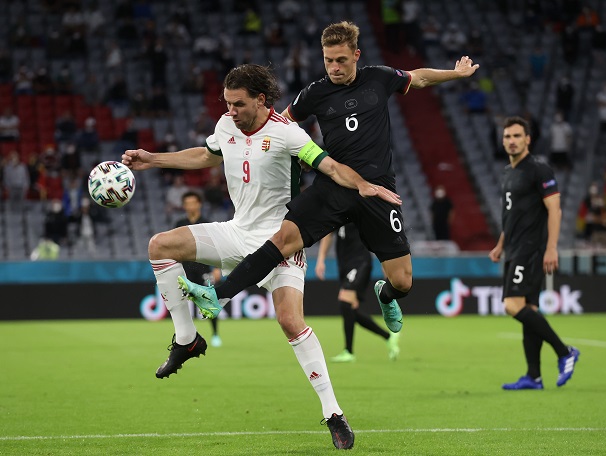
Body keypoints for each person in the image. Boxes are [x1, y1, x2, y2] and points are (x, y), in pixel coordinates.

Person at [121, 64, 400, 450]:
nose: (231, 111)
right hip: (236, 233)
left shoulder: (287, 132)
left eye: (238, 104)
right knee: (159, 245)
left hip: (280, 242)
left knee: (290, 321)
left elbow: (330, 166)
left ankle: (333, 412)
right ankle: (186, 339)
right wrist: (151, 159)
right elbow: (206, 155)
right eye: (227, 103)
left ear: (261, 100)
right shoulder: (226, 125)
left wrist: (363, 185)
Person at [181, 21, 479, 337]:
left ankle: (385, 295)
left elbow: (418, 78)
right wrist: (290, 152)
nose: (334, 67)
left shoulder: (379, 78)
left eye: (341, 60)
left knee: (403, 281)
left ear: (356, 55)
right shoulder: (315, 93)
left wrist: (455, 74)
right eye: (328, 60)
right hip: (333, 184)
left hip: (377, 190)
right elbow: (281, 123)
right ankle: (218, 296)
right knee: (282, 241)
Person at [488, 116, 580, 391]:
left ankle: (565, 352)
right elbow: (511, 215)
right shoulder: (508, 172)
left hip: (531, 249)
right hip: (514, 248)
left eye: (517, 136)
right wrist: (501, 243)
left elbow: (554, 209)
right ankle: (534, 376)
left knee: (511, 305)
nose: (512, 141)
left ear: (528, 139)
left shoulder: (539, 169)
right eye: (507, 136)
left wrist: (551, 247)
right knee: (530, 310)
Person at [315, 223, 400, 363]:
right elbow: (328, 234)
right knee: (351, 310)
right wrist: (321, 259)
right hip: (344, 264)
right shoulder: (337, 213)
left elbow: (377, 237)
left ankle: (349, 352)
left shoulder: (360, 212)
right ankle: (388, 336)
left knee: (344, 301)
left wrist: (386, 267)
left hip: (360, 262)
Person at [174, 190, 222, 347]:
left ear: (199, 204)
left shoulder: (207, 224)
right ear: (184, 206)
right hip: (185, 269)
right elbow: (173, 247)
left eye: (193, 203)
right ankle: (185, 337)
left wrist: (217, 268)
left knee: (208, 300)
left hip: (203, 269)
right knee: (181, 304)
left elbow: (217, 247)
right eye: (187, 204)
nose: (190, 206)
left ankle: (215, 334)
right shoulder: (179, 224)